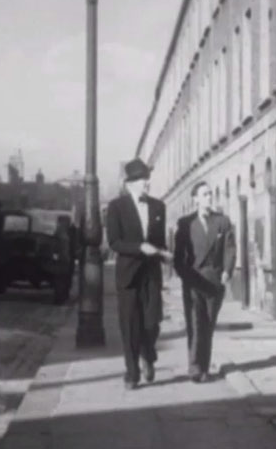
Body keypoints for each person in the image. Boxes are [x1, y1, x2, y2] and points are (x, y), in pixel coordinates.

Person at [106, 158, 172, 390]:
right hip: (128, 276)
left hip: (151, 274)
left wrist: (164, 253)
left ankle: (148, 354)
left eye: (147, 179)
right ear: (130, 183)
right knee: (130, 324)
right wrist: (138, 248)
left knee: (152, 323)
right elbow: (114, 242)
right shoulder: (116, 207)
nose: (147, 184)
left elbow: (160, 241)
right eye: (143, 180)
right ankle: (131, 373)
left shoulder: (158, 207)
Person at [173, 180, 236, 383]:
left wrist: (227, 271)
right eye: (205, 194)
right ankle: (194, 367)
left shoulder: (222, 222)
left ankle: (205, 367)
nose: (209, 197)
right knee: (194, 323)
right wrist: (185, 275)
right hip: (193, 279)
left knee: (208, 324)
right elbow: (178, 256)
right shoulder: (185, 223)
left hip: (214, 281)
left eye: (210, 193)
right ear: (196, 199)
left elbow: (230, 249)